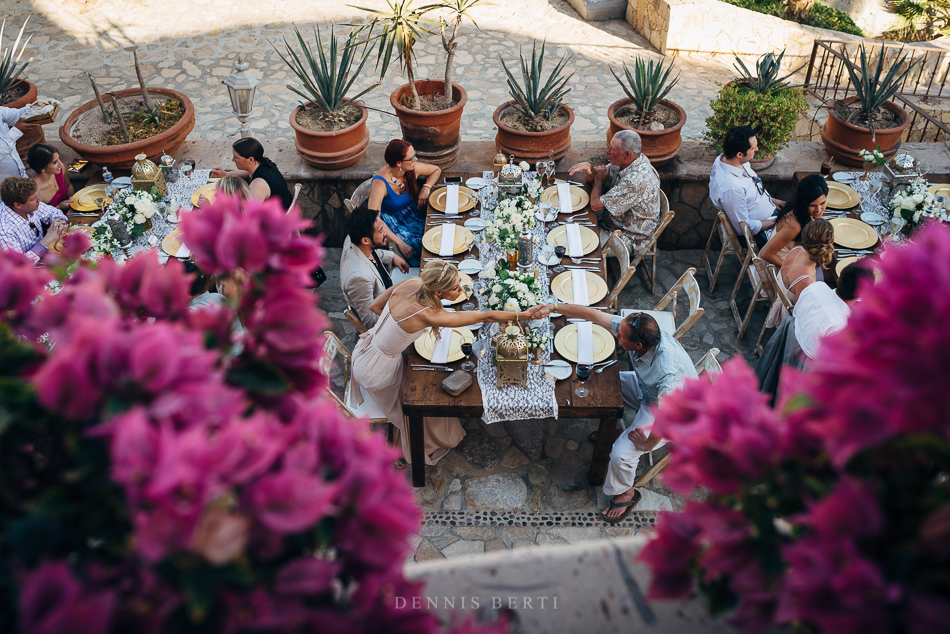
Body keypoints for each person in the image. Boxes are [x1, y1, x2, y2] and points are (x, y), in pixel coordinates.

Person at [350, 259, 547, 465]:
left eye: (459, 282)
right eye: (455, 288)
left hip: (365, 350)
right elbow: (486, 316)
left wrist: (398, 333)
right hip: (377, 370)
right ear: (438, 293)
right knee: (418, 404)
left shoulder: (412, 282)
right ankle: (416, 445)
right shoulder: (427, 314)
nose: (461, 289)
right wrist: (523, 314)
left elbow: (375, 306)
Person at [552, 304, 697, 522]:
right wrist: (553, 307)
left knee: (621, 453)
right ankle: (612, 428)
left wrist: (646, 445)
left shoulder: (668, 372)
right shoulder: (638, 330)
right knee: (598, 384)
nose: (617, 334)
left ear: (638, 345)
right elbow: (592, 314)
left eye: (621, 335)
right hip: (647, 390)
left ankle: (626, 492)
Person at [568, 129, 661, 257]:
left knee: (575, 239)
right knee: (572, 221)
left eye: (612, 150)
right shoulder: (629, 161)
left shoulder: (635, 181)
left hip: (629, 237)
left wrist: (599, 181)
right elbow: (598, 175)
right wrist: (589, 168)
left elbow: (595, 204)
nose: (608, 152)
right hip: (613, 219)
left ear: (626, 154)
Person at [368, 139, 441, 267]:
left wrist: (426, 187)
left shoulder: (411, 169)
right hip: (393, 223)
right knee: (423, 242)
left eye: (415, 154)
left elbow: (436, 170)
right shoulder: (380, 183)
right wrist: (400, 243)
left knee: (438, 227)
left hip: (413, 213)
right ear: (399, 163)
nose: (416, 159)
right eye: (411, 158)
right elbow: (374, 219)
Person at [709, 125, 785, 246]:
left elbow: (752, 194)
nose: (757, 149)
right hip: (760, 233)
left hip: (772, 212)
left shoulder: (727, 160)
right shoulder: (732, 188)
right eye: (753, 148)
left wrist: (774, 201)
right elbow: (743, 227)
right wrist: (777, 223)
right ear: (739, 154)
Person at [341, 206, 409, 328]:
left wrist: (392, 256)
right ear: (366, 240)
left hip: (389, 294)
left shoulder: (354, 240)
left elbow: (373, 252)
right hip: (387, 318)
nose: (386, 233)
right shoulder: (358, 278)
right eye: (381, 231)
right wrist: (402, 311)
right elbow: (369, 321)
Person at [794, 262, 874, 361]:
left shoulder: (815, 287)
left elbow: (796, 312)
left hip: (793, 337)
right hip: (808, 363)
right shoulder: (840, 327)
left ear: (838, 279)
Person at [765, 218, 835, 328]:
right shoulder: (805, 281)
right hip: (790, 323)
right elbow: (803, 316)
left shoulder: (796, 249)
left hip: (784, 295)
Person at [760, 174, 829, 266]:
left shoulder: (797, 208)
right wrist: (793, 270)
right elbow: (766, 254)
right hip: (777, 268)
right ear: (804, 203)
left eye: (822, 203)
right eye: (812, 205)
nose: (819, 210)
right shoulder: (795, 226)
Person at [0, 176, 68, 264]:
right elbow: (19, 265)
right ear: (18, 205)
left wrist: (59, 223)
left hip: (50, 255)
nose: (40, 199)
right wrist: (47, 240)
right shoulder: (4, 231)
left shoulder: (30, 204)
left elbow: (53, 213)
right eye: (33, 199)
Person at [210, 138, 292, 209]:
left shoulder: (258, 184)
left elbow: (247, 215)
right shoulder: (265, 163)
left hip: (276, 222)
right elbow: (247, 172)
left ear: (250, 160)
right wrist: (226, 174)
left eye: (236, 157)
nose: (233, 159)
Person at [27, 144, 74, 210]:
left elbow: (69, 185)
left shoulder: (59, 169)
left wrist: (72, 199)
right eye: (55, 162)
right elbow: (37, 215)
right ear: (42, 167)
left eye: (59, 159)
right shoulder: (35, 190)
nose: (60, 164)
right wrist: (58, 207)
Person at [0, 105, 30, 184]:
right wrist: (16, 131)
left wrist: (37, 107)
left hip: (21, 177)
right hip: (4, 190)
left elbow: (18, 115)